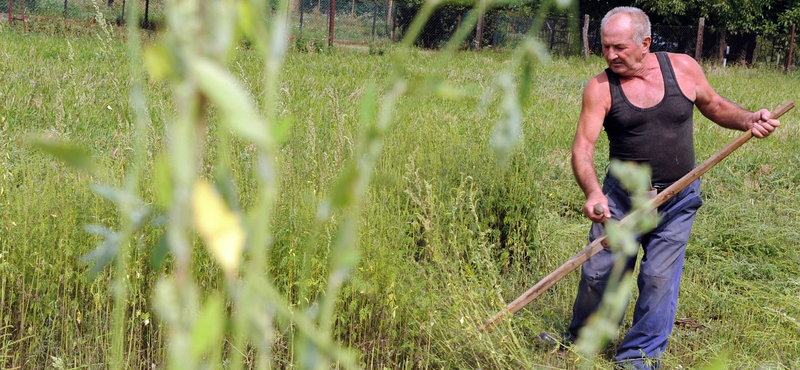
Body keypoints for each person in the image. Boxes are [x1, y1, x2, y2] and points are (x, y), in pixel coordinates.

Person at [565, 6, 780, 369]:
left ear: (645, 42)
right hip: (621, 200)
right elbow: (582, 149)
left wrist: (747, 119)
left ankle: (638, 358)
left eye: (620, 47)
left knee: (659, 279)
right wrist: (592, 192)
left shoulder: (682, 68)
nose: (611, 55)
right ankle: (584, 341)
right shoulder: (600, 88)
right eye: (606, 47)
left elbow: (713, 104)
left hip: (678, 197)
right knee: (600, 273)